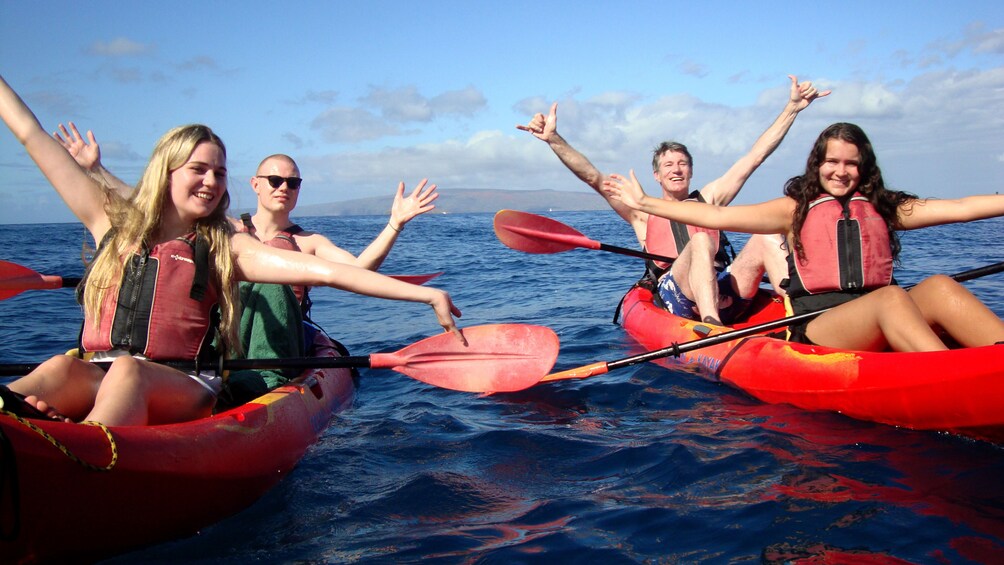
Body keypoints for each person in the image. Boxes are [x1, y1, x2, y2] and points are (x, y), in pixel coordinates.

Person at [0, 73, 463, 426]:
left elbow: (330, 274)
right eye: (198, 169)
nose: (210, 181)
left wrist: (424, 295)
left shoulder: (227, 247)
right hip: (101, 367)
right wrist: (94, 170)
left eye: (219, 173)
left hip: (184, 383)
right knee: (61, 367)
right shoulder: (109, 222)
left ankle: (78, 457)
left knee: (127, 373)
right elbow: (30, 133)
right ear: (167, 171)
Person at [601, 122, 1004, 352]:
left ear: (865, 168)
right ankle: (951, 376)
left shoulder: (884, 206)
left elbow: (964, 207)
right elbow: (714, 214)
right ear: (818, 164)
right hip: (820, 325)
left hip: (877, 310)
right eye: (832, 161)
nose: (841, 171)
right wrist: (647, 204)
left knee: (938, 287)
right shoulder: (793, 209)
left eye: (852, 163)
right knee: (893, 298)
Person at [518, 75, 828, 325]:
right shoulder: (641, 211)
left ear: (691, 170)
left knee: (767, 235)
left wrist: (792, 109)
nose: (676, 169)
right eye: (668, 165)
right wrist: (554, 140)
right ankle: (711, 324)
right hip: (678, 296)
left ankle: (799, 309)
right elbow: (594, 178)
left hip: (725, 289)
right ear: (657, 176)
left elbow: (755, 156)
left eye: (682, 163)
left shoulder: (711, 199)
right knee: (701, 243)